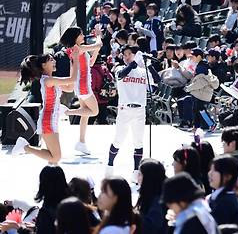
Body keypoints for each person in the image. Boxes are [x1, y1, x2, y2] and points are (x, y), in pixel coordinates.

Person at [12, 51, 80, 163]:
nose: (54, 61)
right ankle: (25, 147)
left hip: (51, 120)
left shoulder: (50, 79)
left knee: (53, 158)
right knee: (55, 157)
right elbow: (72, 80)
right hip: (48, 120)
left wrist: (72, 62)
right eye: (51, 60)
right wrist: (76, 59)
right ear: (43, 65)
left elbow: (70, 87)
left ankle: (51, 177)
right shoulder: (48, 80)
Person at [106, 45, 160, 182]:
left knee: (138, 141)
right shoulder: (120, 68)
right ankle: (109, 166)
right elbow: (121, 74)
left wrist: (149, 65)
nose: (126, 57)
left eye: (129, 54)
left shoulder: (142, 71)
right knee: (118, 140)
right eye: (124, 55)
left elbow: (158, 80)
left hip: (140, 110)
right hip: (125, 109)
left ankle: (136, 172)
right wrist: (134, 63)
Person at [58, 26, 103, 155]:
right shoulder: (78, 48)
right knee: (94, 111)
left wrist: (96, 49)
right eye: (81, 34)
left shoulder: (77, 49)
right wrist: (98, 35)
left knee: (85, 115)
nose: (83, 36)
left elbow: (91, 63)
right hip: (83, 85)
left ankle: (81, 142)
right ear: (75, 37)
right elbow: (98, 43)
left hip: (82, 84)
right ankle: (67, 112)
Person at [207, 156, 238, 227]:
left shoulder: (226, 201)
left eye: (214, 170)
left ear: (228, 176)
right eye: (210, 170)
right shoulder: (218, 197)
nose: (210, 173)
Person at [136, 159, 167, 234]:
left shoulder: (157, 200)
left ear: (148, 178)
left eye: (140, 174)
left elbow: (151, 227)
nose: (137, 176)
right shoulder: (149, 194)